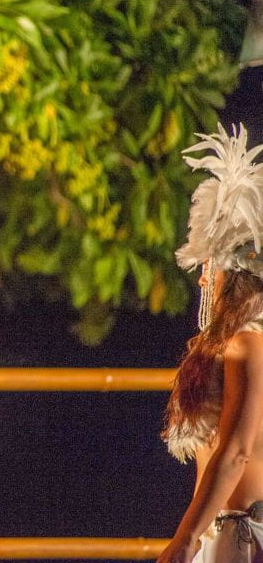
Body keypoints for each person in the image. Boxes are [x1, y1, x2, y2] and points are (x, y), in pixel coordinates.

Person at [159, 124, 263, 563]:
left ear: (232, 275)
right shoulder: (241, 343)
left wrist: (184, 541)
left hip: (242, 535)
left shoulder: (248, 343)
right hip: (224, 531)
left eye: (210, 267)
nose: (203, 278)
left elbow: (236, 452)